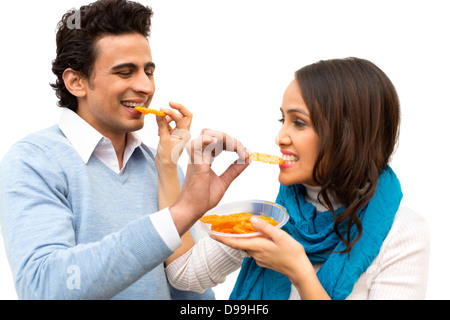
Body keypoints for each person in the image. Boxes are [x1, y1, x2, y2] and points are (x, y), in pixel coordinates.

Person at [0, 0, 249, 299]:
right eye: (125, 72)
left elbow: (189, 293)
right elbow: (44, 287)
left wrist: (170, 170)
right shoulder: (34, 161)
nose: (146, 87)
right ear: (76, 82)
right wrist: (180, 213)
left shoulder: (162, 167)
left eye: (149, 71)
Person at [165, 57, 430, 300]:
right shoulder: (271, 219)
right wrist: (173, 169)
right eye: (283, 119)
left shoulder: (402, 233)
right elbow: (185, 275)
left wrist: (299, 273)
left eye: (299, 122)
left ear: (349, 135)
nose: (280, 137)